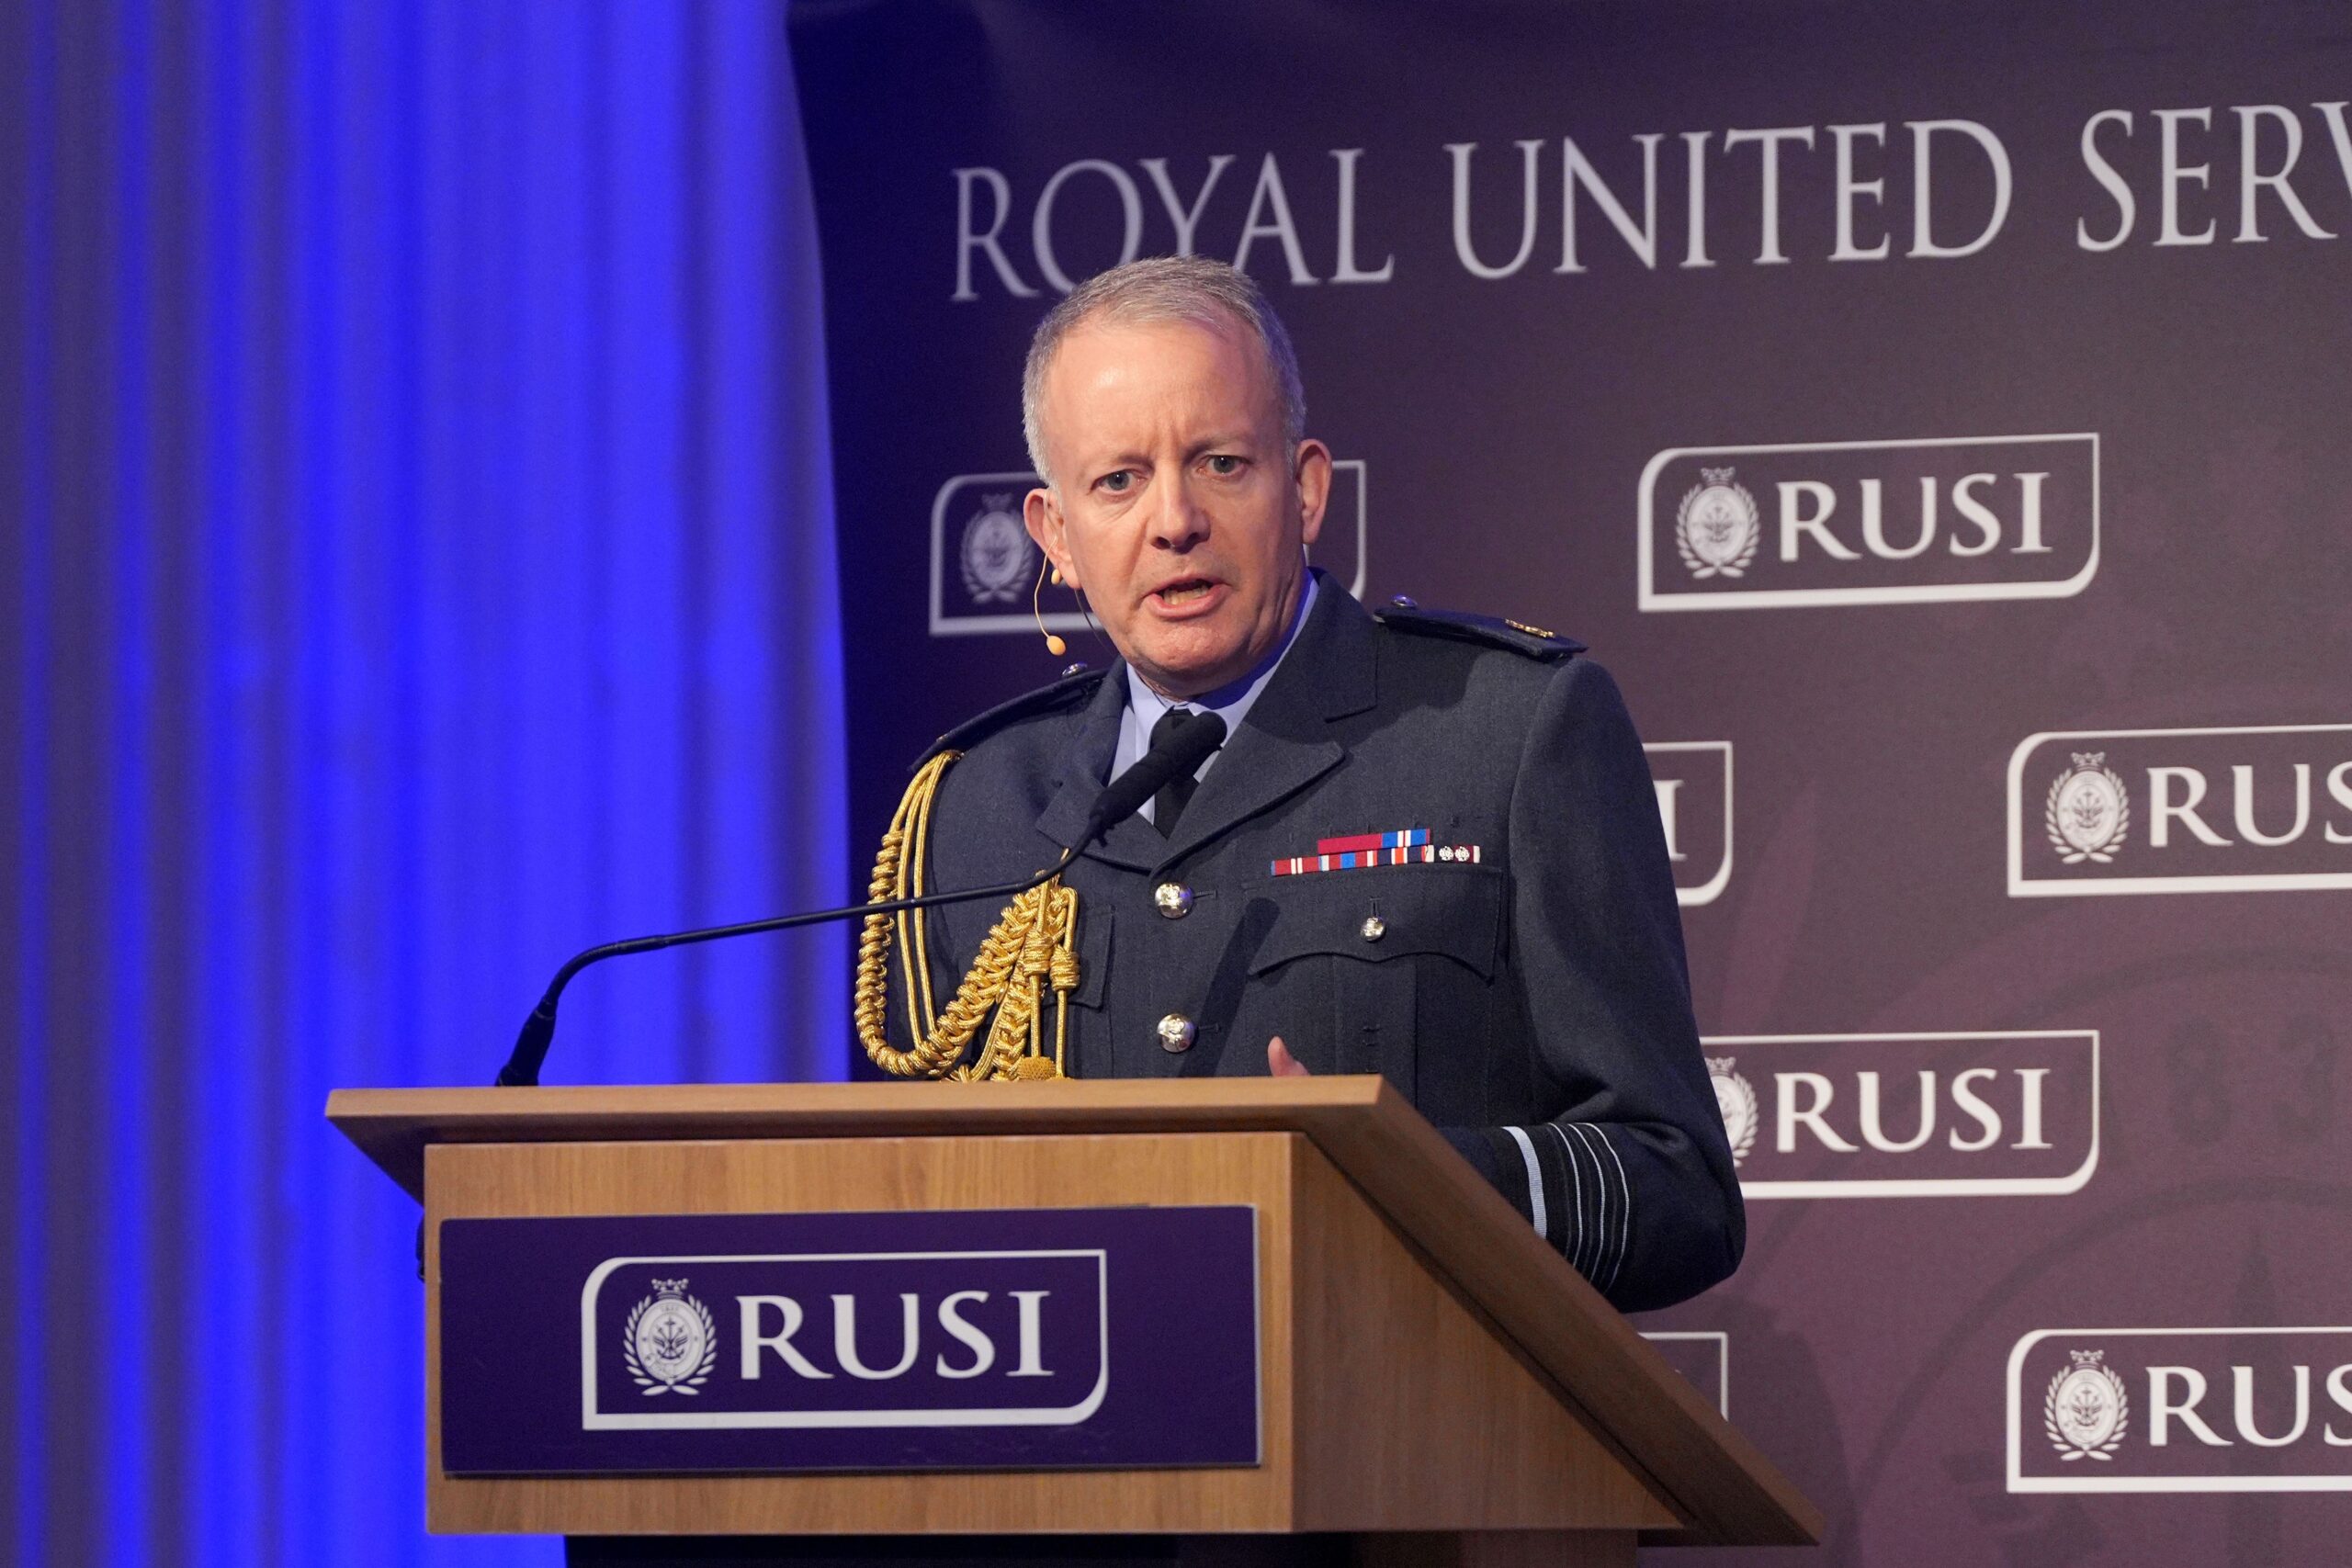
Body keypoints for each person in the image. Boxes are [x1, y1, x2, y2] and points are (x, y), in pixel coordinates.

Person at [866, 255, 1739, 1313]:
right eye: (1118, 480)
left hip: (1395, 1438)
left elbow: (1676, 1187)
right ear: (1057, 535)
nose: (1173, 519)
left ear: (1306, 486)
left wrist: (1411, 1185)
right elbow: (911, 1213)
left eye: (1221, 463)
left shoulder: (1504, 732)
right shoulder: (972, 806)